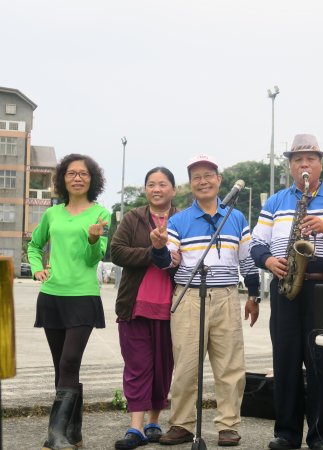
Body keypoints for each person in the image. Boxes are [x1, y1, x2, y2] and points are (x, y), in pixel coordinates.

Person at [150, 154, 260, 447]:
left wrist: (254, 296)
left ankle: (228, 425)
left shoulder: (235, 217)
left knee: (230, 366)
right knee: (186, 365)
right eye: (196, 177)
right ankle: (182, 424)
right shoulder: (179, 220)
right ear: (190, 184)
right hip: (189, 298)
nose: (203, 181)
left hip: (226, 297)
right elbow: (167, 262)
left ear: (219, 180)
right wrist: (159, 248)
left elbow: (247, 261)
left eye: (208, 175)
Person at [250, 134, 323, 450]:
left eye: (310, 159)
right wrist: (268, 260)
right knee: (285, 361)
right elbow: (255, 243)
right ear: (291, 166)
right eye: (297, 160)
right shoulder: (276, 200)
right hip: (285, 286)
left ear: (320, 163)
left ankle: (322, 436)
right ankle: (287, 433)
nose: (304, 164)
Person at [28, 154, 110, 450]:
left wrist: (92, 239)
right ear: (63, 178)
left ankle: (55, 435)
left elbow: (94, 258)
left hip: (83, 296)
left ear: (92, 179)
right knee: (60, 367)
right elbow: (35, 244)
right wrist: (37, 267)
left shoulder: (101, 213)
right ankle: (72, 432)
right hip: (52, 295)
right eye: (72, 173)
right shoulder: (53, 214)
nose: (77, 177)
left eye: (84, 173)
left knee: (70, 360)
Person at [111, 167, 179, 449]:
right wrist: (154, 252)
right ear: (145, 190)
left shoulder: (183, 219)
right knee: (138, 367)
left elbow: (189, 258)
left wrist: (169, 255)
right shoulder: (133, 218)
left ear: (173, 190)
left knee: (163, 368)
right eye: (151, 184)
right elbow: (117, 251)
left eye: (163, 184)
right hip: (135, 307)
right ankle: (135, 428)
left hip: (171, 308)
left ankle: (154, 422)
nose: (157, 189)